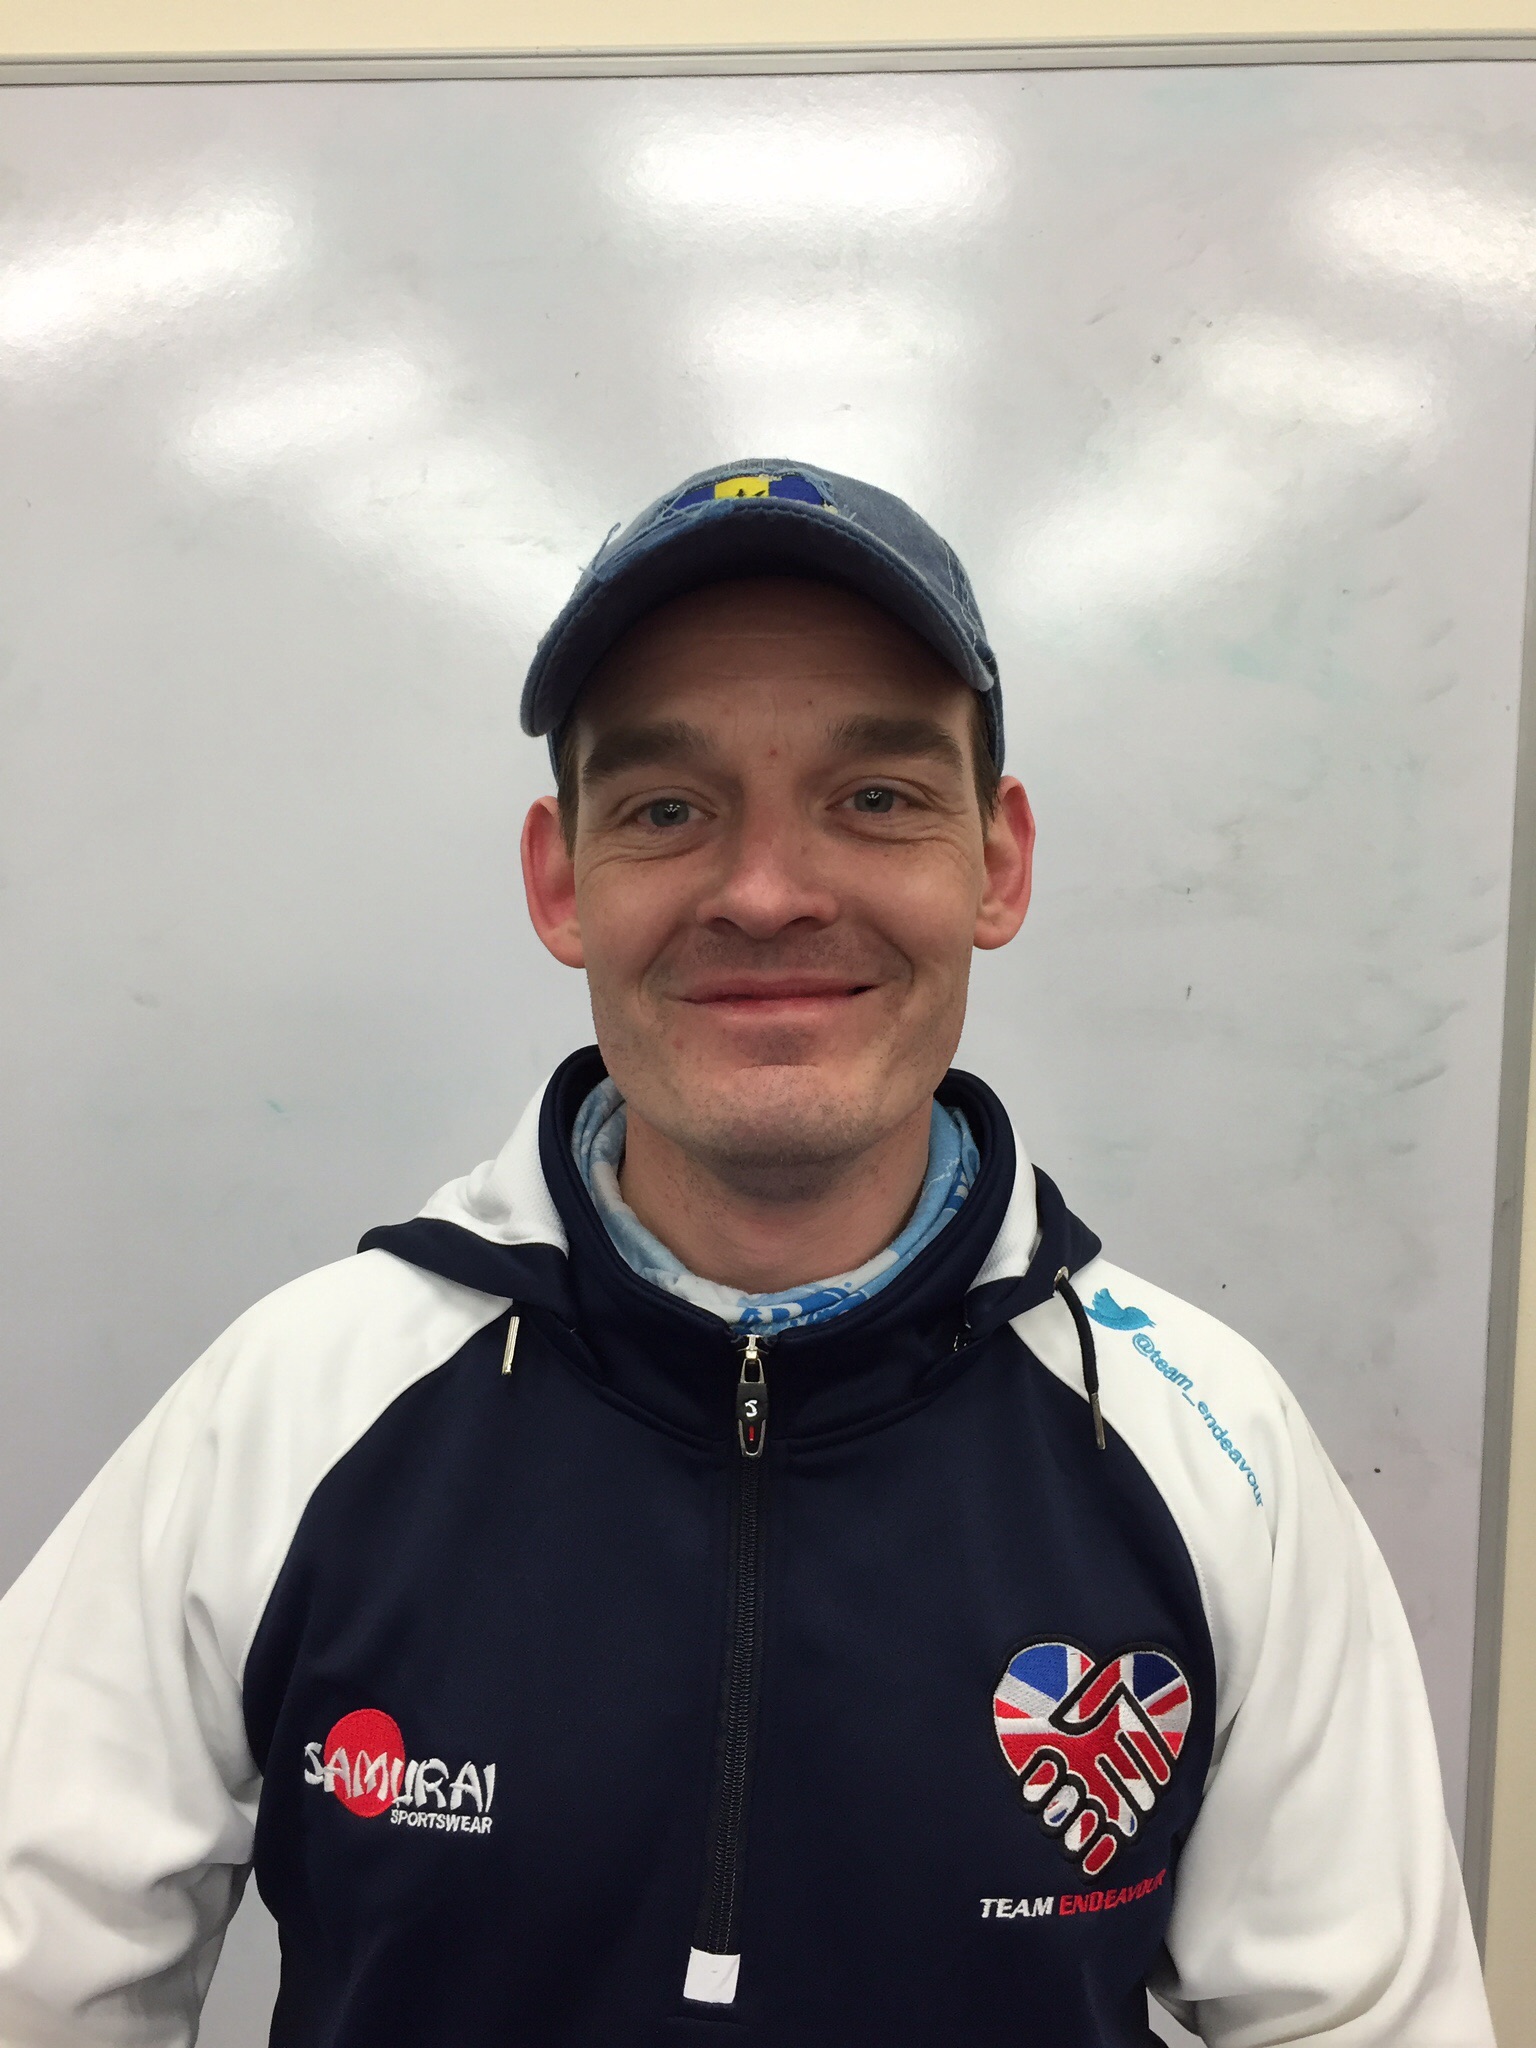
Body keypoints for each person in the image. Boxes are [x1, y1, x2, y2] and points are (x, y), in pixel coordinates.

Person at [0, 459, 1493, 2047]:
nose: (768, 895)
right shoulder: (289, 1412)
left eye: (876, 798)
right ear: (562, 881)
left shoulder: (1210, 1447)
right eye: (668, 810)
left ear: (996, 864)